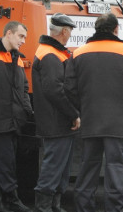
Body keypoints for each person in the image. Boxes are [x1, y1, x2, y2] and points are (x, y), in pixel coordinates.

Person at [65, 13, 123, 212]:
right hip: (118, 124)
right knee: (116, 168)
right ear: (116, 29)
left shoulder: (78, 52)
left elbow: (69, 88)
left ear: (96, 28)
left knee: (88, 167)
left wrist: (83, 109)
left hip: (90, 121)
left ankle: (84, 207)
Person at [32, 13, 81, 212]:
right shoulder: (50, 54)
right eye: (69, 33)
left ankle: (55, 205)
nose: (69, 36)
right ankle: (44, 207)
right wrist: (73, 113)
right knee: (53, 167)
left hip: (59, 122)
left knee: (61, 168)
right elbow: (55, 90)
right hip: (57, 122)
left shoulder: (51, 52)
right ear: (64, 31)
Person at [0, 21, 33, 212]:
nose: (24, 41)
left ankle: (6, 201)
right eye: (21, 36)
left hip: (14, 122)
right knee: (3, 163)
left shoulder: (17, 59)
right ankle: (5, 202)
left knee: (8, 163)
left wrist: (25, 110)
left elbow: (24, 88)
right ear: (9, 34)